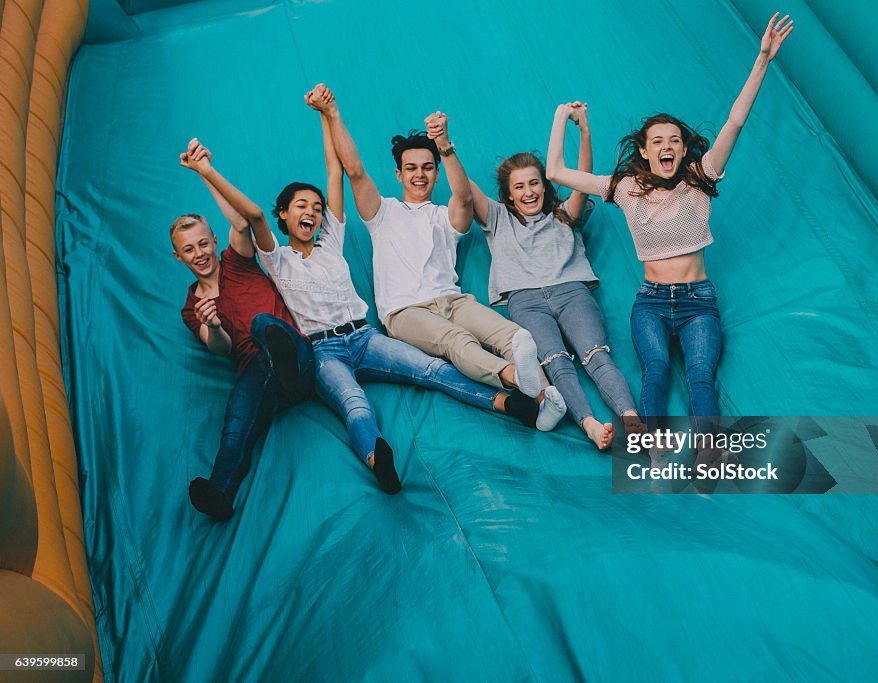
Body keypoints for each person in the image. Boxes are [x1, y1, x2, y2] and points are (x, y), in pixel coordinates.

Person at [188, 85, 553, 495]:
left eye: (315, 207)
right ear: (284, 217)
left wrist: (326, 114)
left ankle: (509, 403)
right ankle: (377, 457)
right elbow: (252, 215)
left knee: (432, 370)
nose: (310, 211)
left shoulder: (331, 241)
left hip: (363, 335)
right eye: (300, 207)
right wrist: (206, 171)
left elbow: (336, 171)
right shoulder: (275, 257)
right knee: (353, 403)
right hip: (323, 350)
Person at [546, 13, 794, 433]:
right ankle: (651, 448)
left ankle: (708, 452)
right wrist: (560, 117)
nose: (666, 146)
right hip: (651, 303)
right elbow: (555, 170)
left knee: (700, 374)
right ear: (643, 151)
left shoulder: (701, 178)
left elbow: (735, 121)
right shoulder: (624, 187)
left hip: (699, 301)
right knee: (656, 371)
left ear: (683, 151)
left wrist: (763, 59)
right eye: (657, 141)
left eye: (674, 141)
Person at [307, 86, 567, 431]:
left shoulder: (445, 217)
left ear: (436, 172)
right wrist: (333, 112)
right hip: (405, 311)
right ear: (398, 174)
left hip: (452, 300)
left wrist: (444, 144)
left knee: (514, 335)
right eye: (411, 168)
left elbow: (463, 196)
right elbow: (354, 171)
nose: (419, 175)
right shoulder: (381, 212)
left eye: (428, 168)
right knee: (457, 341)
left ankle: (546, 399)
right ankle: (515, 377)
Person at [465, 104, 642, 450]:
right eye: (520, 187)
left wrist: (585, 131)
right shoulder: (498, 217)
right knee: (555, 365)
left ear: (545, 187)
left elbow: (583, 180)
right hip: (526, 301)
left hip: (571, 292)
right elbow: (463, 188)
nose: (529, 192)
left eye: (535, 183)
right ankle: (590, 425)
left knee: (597, 357)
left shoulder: (564, 213)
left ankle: (633, 422)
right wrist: (444, 146)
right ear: (508, 194)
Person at [175, 139, 314, 521]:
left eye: (204, 243)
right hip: (261, 376)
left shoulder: (237, 261)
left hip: (299, 359)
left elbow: (242, 220)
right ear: (179, 257)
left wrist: (205, 171)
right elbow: (219, 349)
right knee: (237, 419)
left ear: (214, 242)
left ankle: (286, 366)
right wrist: (214, 325)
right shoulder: (192, 307)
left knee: (263, 326)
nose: (200, 253)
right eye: (190, 249)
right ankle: (220, 493)